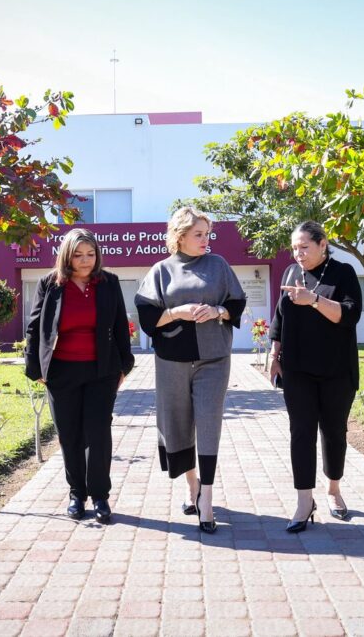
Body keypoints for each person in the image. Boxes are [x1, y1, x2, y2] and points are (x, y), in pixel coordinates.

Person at [135, 207, 246, 533]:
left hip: (214, 358)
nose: (205, 239)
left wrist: (217, 311)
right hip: (172, 360)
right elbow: (147, 317)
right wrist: (178, 312)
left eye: (207, 234)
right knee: (179, 426)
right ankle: (192, 486)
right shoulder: (161, 270)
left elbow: (237, 303)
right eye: (198, 234)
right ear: (179, 236)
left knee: (209, 424)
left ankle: (206, 500)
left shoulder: (218, 265)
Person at [25, 228, 135, 524]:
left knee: (98, 434)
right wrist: (35, 369)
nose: (86, 260)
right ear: (67, 256)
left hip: (102, 371)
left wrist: (124, 366)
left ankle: (100, 496)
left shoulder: (109, 282)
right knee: (70, 435)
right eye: (78, 255)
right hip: (61, 372)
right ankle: (77, 494)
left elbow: (120, 324)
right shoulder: (50, 284)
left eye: (90, 254)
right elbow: (34, 327)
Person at [269, 220, 362, 533]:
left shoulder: (343, 273)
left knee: (334, 432)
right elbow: (279, 317)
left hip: (337, 370)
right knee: (301, 432)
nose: (298, 253)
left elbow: (349, 315)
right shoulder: (290, 273)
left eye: (304, 247)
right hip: (297, 369)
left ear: (323, 244)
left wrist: (314, 300)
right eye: (294, 248)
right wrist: (274, 356)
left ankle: (333, 489)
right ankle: (304, 501)